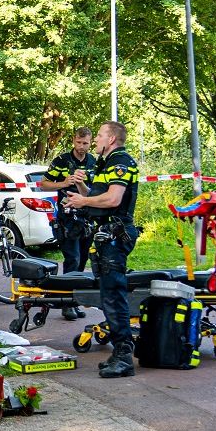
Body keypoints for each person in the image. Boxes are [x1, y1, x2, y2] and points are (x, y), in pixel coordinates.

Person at [62, 120, 140, 379]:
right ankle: (119, 353)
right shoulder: (104, 163)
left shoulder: (121, 161)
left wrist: (83, 199)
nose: (95, 140)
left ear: (112, 139)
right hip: (107, 234)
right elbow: (98, 197)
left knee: (114, 295)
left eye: (99, 136)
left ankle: (124, 357)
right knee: (108, 293)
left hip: (117, 234)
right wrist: (82, 188)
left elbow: (113, 199)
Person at [35, 126, 97, 319]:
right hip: (67, 218)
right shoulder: (62, 160)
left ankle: (75, 300)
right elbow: (43, 184)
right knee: (73, 259)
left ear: (90, 142)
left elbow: (97, 188)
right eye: (79, 142)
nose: (81, 147)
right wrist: (64, 182)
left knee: (83, 260)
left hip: (87, 216)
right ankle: (66, 303)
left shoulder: (93, 161)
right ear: (73, 141)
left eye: (85, 143)